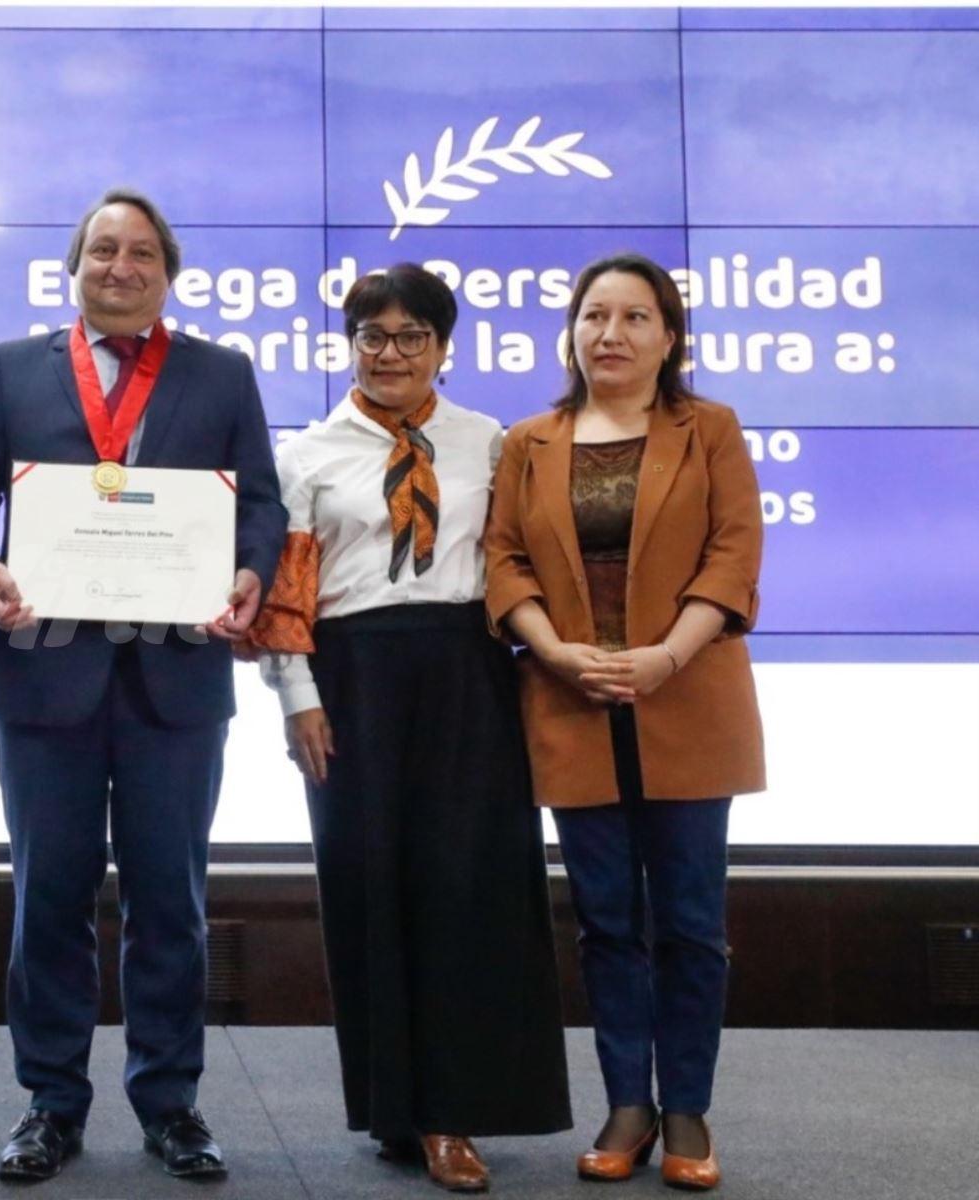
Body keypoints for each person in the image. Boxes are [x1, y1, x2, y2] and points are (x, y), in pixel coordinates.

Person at [0, 187, 287, 1182]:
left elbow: (260, 504)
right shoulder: (13, 368)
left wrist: (250, 572)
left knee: (169, 902)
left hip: (177, 680)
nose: (120, 267)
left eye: (140, 253)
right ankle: (50, 1101)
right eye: (101, 250)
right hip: (44, 675)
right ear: (73, 267)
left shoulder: (221, 374)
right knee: (49, 898)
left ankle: (170, 1104)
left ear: (167, 272)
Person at [246, 264, 571, 1193]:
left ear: (443, 346)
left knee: (465, 888)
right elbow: (289, 591)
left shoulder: (490, 443)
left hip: (468, 671)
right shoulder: (308, 453)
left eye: (411, 337)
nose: (391, 354)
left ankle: (451, 1111)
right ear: (349, 345)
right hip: (352, 679)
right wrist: (297, 696)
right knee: (369, 887)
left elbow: (515, 563)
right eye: (372, 337)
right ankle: (394, 1102)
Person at [485, 252, 765, 1192]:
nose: (611, 334)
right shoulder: (529, 441)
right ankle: (627, 1107)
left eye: (635, 317)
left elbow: (733, 556)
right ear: (570, 333)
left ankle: (685, 1107)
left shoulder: (710, 429)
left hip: (688, 698)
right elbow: (504, 562)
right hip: (571, 701)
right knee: (605, 923)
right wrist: (557, 652)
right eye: (594, 315)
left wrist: (665, 657)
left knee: (690, 923)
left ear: (669, 336)